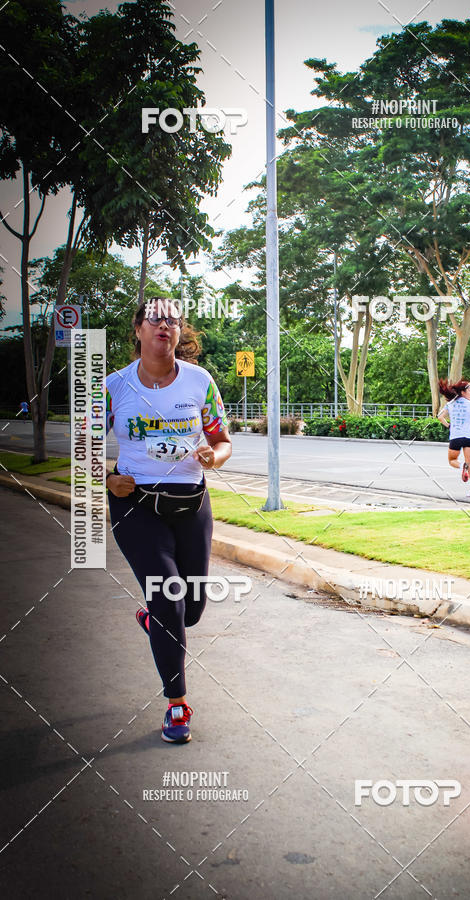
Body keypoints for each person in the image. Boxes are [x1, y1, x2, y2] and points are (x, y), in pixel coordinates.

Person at [105, 298, 232, 743]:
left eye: (174, 320)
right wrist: (107, 477)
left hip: (191, 505)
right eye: (156, 318)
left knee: (190, 611)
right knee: (170, 599)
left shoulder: (200, 381)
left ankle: (156, 619)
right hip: (137, 506)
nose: (166, 325)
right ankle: (177, 704)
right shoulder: (114, 386)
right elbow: (82, 447)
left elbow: (222, 440)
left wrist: (213, 457)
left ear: (180, 332)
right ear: (138, 329)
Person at [437, 379, 470, 497]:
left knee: (452, 460)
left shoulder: (450, 404)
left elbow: (440, 417)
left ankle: (461, 466)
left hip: (456, 437)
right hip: (469, 437)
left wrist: (449, 425)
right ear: (463, 392)